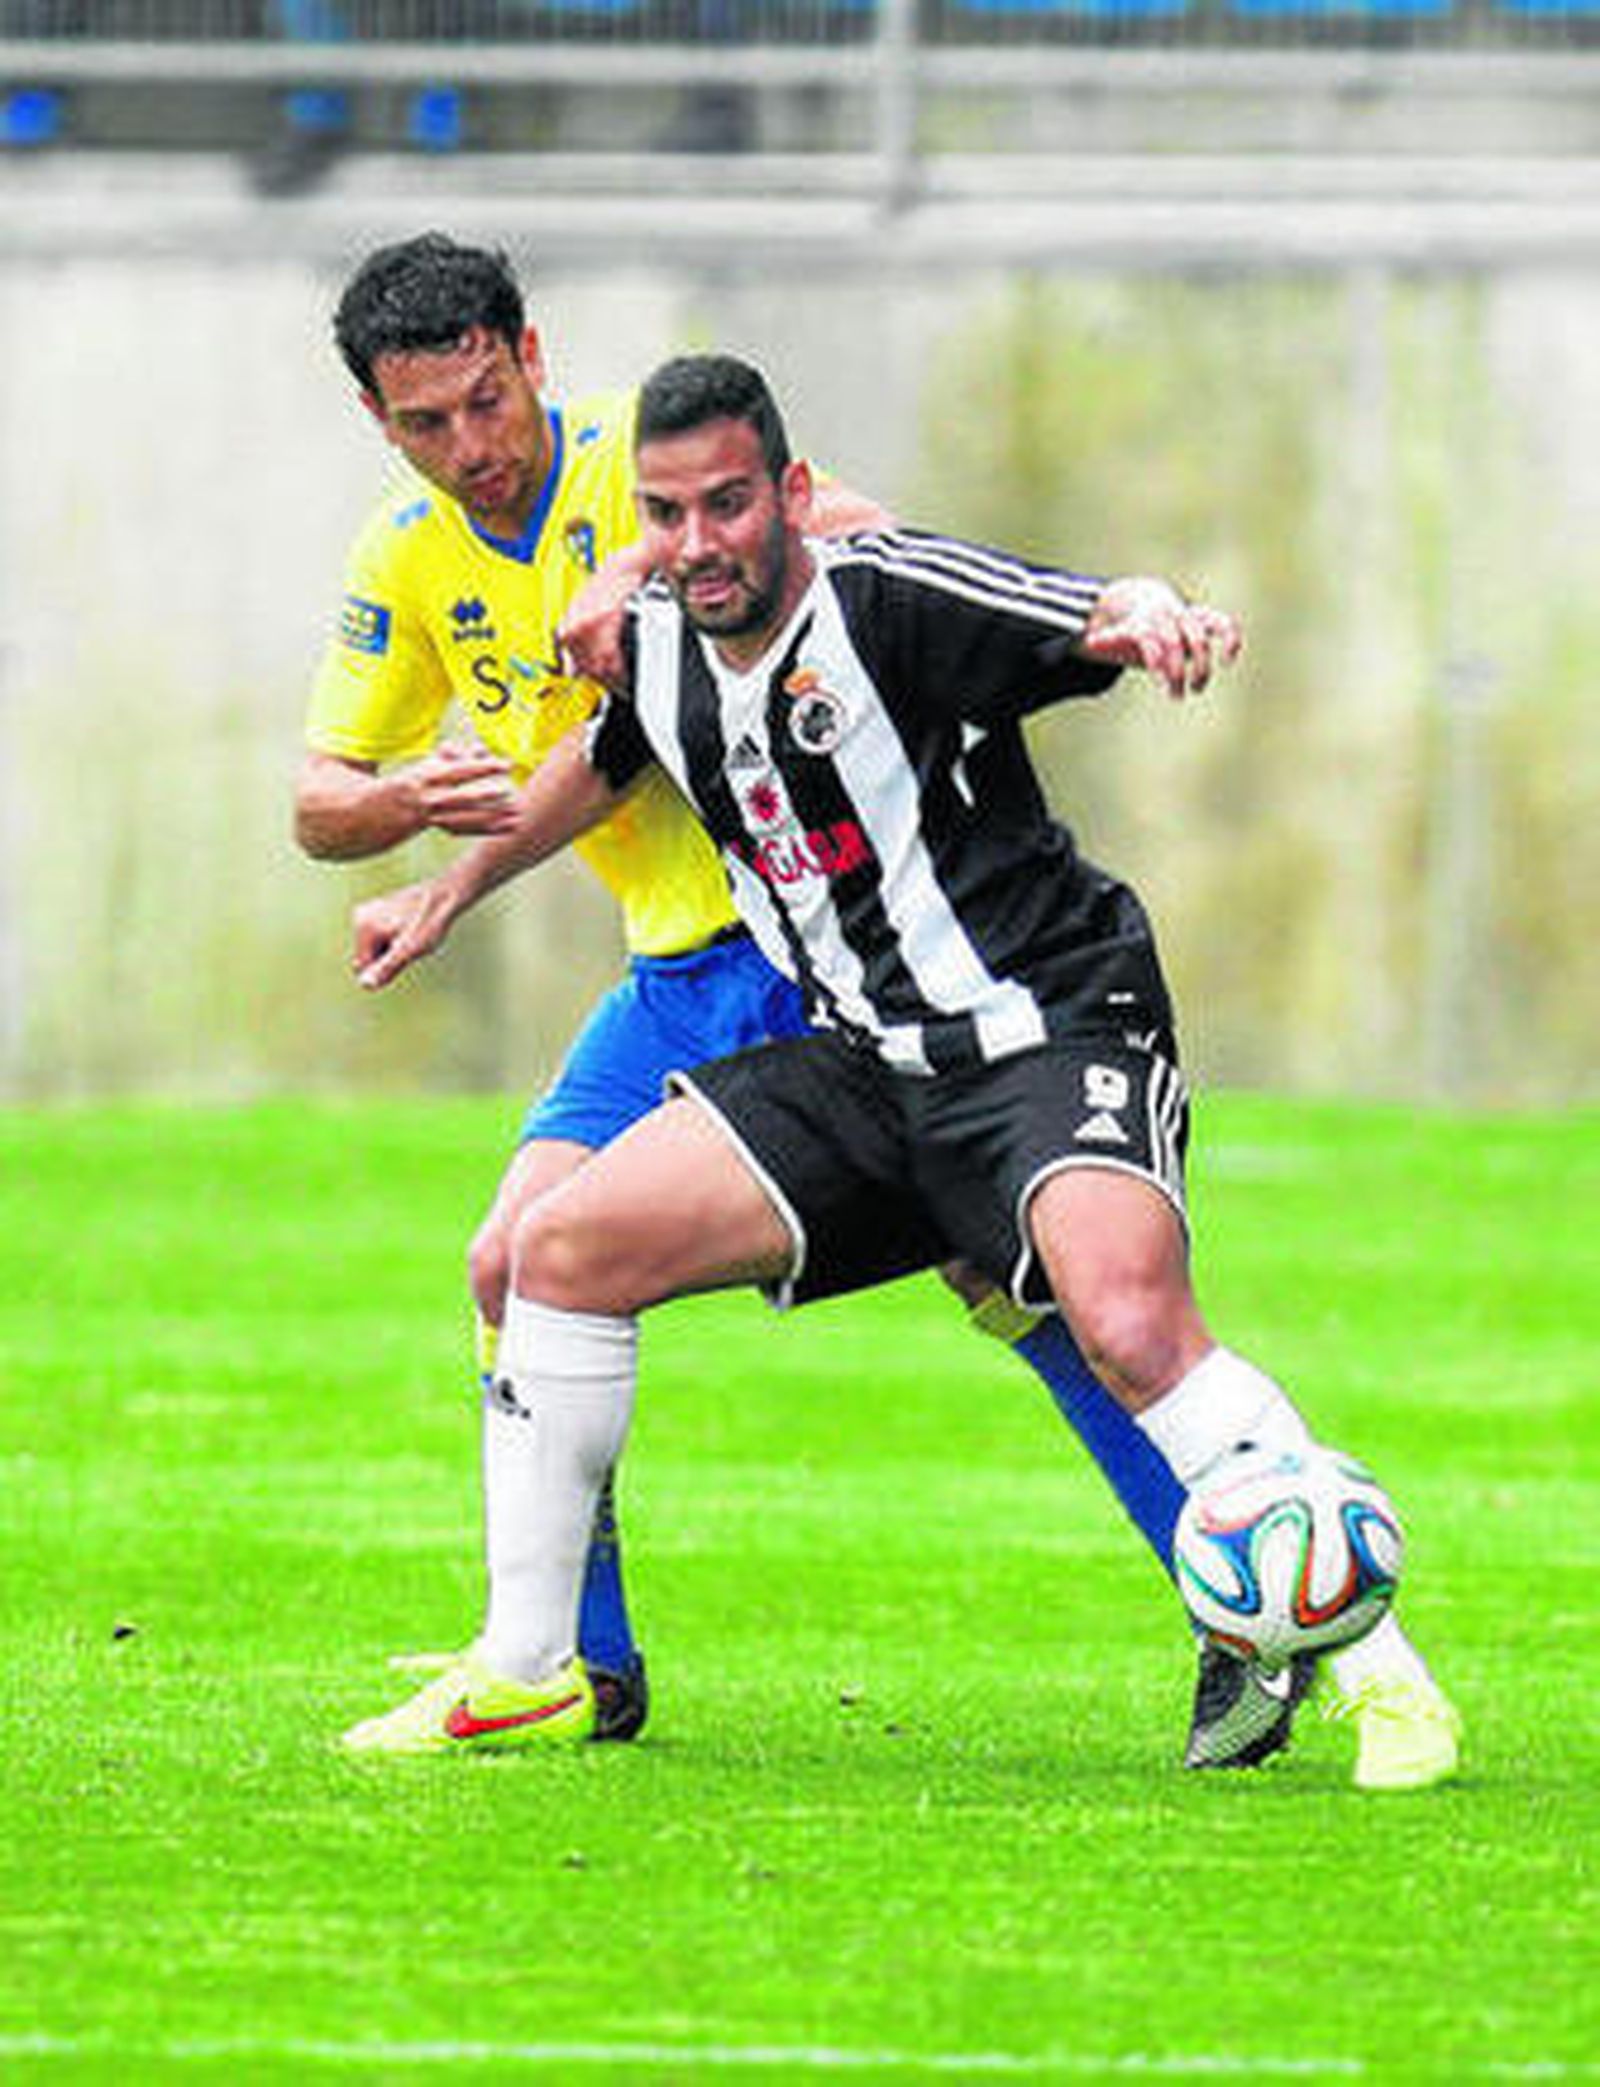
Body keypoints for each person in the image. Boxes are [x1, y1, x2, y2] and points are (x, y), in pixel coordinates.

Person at [337, 352, 1462, 1791]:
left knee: (1122, 1320)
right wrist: (449, 891)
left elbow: (1086, 610)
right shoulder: (661, 638)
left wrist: (1160, 618)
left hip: (1046, 1030)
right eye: (668, 518)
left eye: (730, 506)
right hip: (864, 1064)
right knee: (552, 1250)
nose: (700, 545)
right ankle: (527, 1668)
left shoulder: (896, 599)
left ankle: (1383, 1676)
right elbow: (608, 763)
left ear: (791, 496)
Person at [296, 236, 1197, 1759]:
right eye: (427, 424)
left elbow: (858, 544)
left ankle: (1251, 1592)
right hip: (667, 973)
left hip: (807, 948)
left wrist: (636, 561)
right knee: (511, 1267)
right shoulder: (407, 556)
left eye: (485, 401)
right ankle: (570, 1662)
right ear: (382, 425)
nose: (471, 446)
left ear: (529, 354)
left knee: (1034, 1287)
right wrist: (406, 824)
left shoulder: (655, 457)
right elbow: (319, 803)